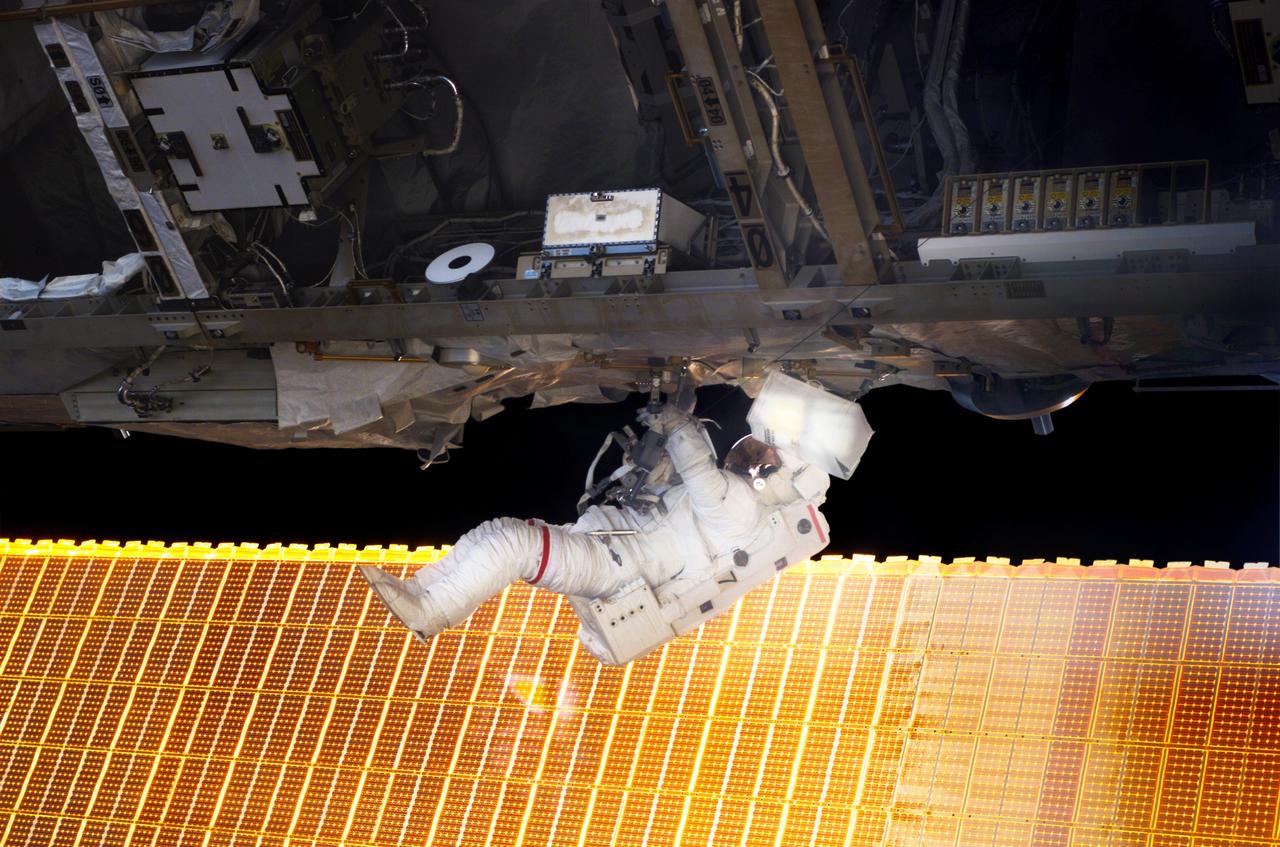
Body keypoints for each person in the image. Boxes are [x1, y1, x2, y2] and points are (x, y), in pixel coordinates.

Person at [359, 403, 833, 662]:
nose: (749, 457)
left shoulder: (743, 510)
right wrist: (657, 450)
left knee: (514, 544)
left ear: (780, 477)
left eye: (761, 457)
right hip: (612, 546)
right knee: (498, 532)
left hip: (618, 568)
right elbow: (675, 488)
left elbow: (701, 479)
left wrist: (679, 424)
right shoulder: (735, 500)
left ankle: (432, 613)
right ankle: (420, 589)